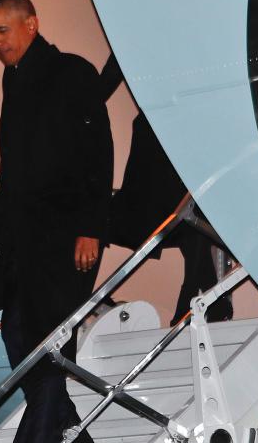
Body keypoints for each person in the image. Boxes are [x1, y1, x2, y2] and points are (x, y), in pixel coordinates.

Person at [0, 0, 113, 443]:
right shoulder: (13, 80)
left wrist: (91, 227)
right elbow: (15, 173)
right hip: (25, 237)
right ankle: (74, 440)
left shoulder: (72, 73)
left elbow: (100, 153)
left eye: (2, 30)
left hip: (68, 236)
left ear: (31, 23)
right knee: (18, 337)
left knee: (49, 344)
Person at [99, 54, 233, 325]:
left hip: (175, 133)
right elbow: (105, 83)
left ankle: (197, 303)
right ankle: (208, 303)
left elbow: (106, 83)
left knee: (189, 218)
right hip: (162, 136)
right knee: (187, 219)